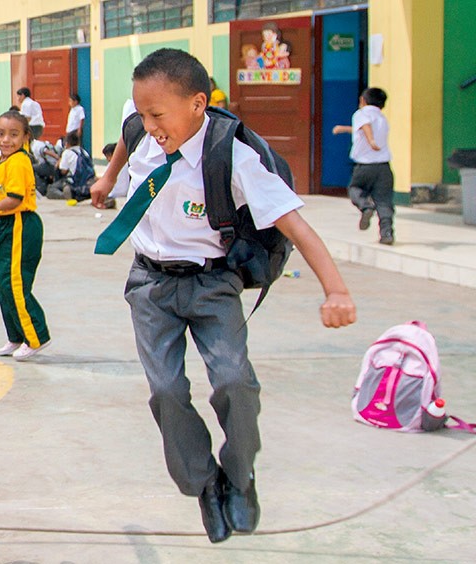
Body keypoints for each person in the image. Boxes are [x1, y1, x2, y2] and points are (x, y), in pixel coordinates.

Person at [88, 48, 357, 544]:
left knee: (236, 383)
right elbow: (127, 139)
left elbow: (294, 224)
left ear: (198, 104)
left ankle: (239, 476)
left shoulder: (231, 155)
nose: (148, 125)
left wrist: (335, 289)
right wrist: (108, 176)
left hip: (213, 284)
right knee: (167, 391)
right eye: (142, 113)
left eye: (157, 115)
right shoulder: (140, 128)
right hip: (150, 284)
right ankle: (204, 484)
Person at [0, 110, 49, 361]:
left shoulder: (20, 160)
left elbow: (16, 199)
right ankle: (15, 336)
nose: (6, 140)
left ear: (25, 137)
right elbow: (6, 198)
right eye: (1, 134)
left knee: (16, 284)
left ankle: (36, 336)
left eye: (13, 134)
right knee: (3, 284)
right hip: (8, 223)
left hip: (22, 224)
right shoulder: (1, 162)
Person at [333, 87, 393, 245]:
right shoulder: (382, 118)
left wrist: (371, 141)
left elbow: (365, 126)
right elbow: (360, 129)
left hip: (365, 166)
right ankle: (386, 233)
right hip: (384, 167)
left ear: (363, 100)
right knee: (384, 200)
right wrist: (344, 129)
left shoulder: (362, 114)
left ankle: (365, 207)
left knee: (355, 189)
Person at [52, 130, 96, 201]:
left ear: (67, 143)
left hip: (75, 180)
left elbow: (63, 171)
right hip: (88, 179)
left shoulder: (67, 152)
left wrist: (58, 163)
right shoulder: (84, 151)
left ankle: (66, 194)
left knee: (52, 188)